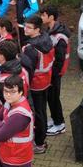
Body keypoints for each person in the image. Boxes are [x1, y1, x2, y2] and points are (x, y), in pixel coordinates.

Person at [20, 15, 54, 154]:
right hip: (45, 81)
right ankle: (41, 138)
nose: (25, 29)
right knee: (42, 111)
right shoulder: (46, 39)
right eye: (25, 26)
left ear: (37, 29)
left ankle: (39, 143)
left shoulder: (30, 48)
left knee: (38, 114)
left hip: (35, 85)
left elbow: (27, 70)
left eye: (29, 28)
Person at [41, 5, 71, 136]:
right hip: (51, 73)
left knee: (54, 98)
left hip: (54, 74)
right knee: (51, 97)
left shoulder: (60, 37)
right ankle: (54, 119)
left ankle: (60, 124)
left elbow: (59, 59)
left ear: (51, 17)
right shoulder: (50, 30)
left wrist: (52, 74)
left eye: (43, 15)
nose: (41, 17)